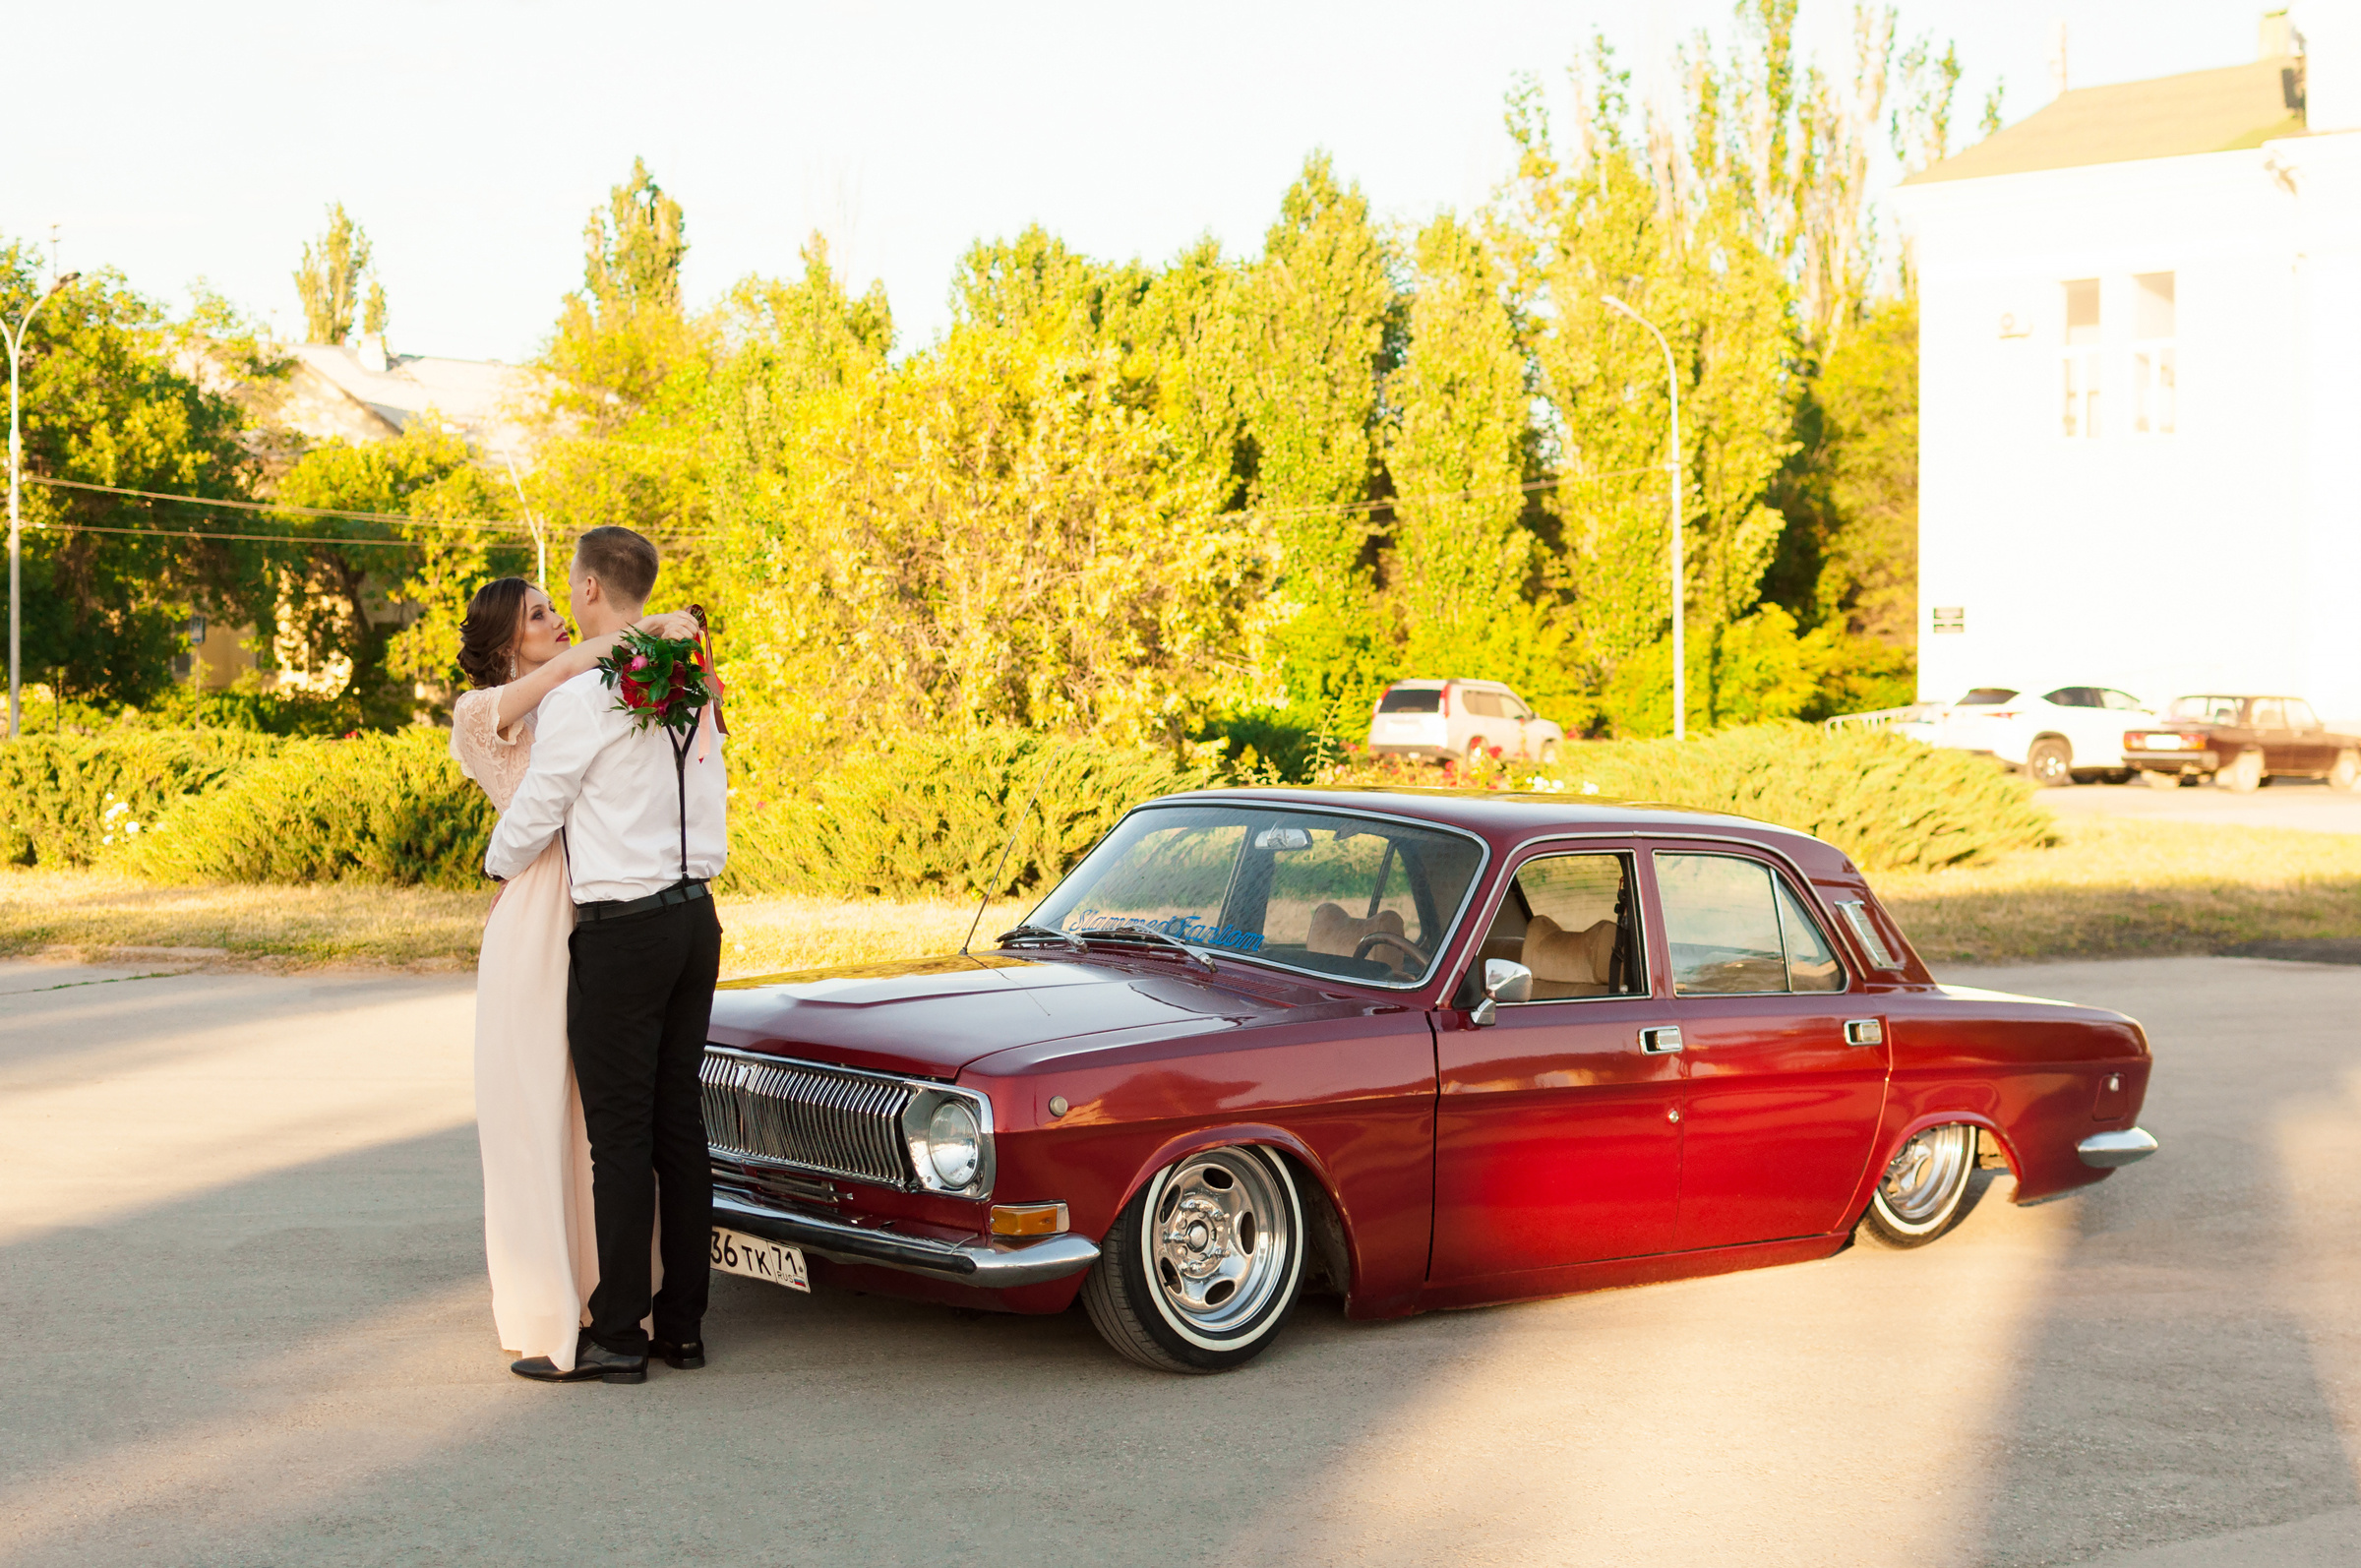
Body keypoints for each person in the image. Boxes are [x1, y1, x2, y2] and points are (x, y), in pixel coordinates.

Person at [486, 525, 727, 1386]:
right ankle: (685, 1330)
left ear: (589, 590)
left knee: (619, 1139)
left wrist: (494, 864)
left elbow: (542, 804)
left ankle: (619, 1334)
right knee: (679, 1126)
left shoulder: (586, 698)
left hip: (624, 928)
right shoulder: (695, 679)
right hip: (698, 919)